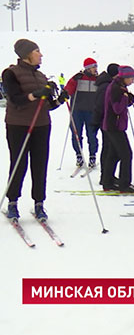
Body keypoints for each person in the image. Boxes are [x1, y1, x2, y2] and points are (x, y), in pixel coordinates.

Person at [3, 39, 69, 220]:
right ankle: (12, 202)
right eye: (37, 51)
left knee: (40, 164)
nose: (41, 55)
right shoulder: (10, 74)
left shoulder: (41, 77)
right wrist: (34, 95)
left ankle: (39, 203)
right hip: (18, 125)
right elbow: (16, 99)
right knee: (19, 163)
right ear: (26, 54)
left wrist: (59, 101)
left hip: (41, 125)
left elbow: (46, 106)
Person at [100, 65, 134, 193]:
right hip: (114, 126)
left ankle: (108, 182)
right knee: (126, 154)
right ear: (125, 77)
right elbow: (117, 108)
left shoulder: (118, 87)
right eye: (132, 78)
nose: (133, 81)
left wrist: (128, 98)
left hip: (113, 125)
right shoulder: (116, 88)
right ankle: (124, 184)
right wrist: (125, 97)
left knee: (114, 154)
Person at [64, 57, 99, 168]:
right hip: (77, 111)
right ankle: (79, 154)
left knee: (92, 135)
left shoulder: (98, 79)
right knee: (76, 134)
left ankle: (92, 155)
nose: (95, 69)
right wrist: (71, 85)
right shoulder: (78, 78)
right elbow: (68, 90)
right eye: (93, 67)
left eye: (96, 66)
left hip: (92, 112)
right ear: (87, 68)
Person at [91, 63, 119, 189]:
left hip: (106, 121)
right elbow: (101, 105)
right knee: (109, 149)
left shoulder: (107, 84)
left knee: (110, 148)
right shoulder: (106, 85)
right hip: (106, 121)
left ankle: (108, 175)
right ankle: (106, 176)